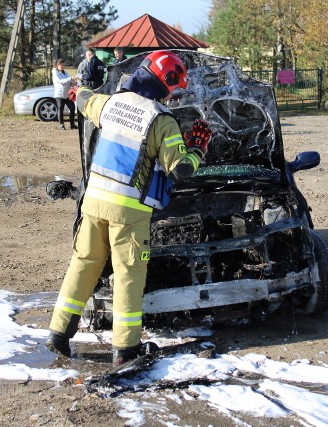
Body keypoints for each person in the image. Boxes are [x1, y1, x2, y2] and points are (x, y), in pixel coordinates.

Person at [46, 50, 212, 365]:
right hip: (128, 212)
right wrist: (198, 147)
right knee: (128, 276)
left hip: (93, 203)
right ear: (167, 83)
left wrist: (76, 89)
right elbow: (181, 169)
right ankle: (126, 349)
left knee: (83, 265)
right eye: (173, 88)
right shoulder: (162, 120)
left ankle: (58, 334)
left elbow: (83, 101)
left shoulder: (111, 103)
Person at [51, 58, 77, 130]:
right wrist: (70, 78)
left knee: (72, 108)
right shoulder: (55, 73)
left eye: (64, 65)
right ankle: (61, 125)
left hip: (67, 94)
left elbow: (68, 82)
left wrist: (73, 83)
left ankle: (72, 124)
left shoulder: (66, 73)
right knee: (60, 109)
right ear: (57, 65)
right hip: (59, 95)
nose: (63, 67)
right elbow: (61, 81)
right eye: (61, 65)